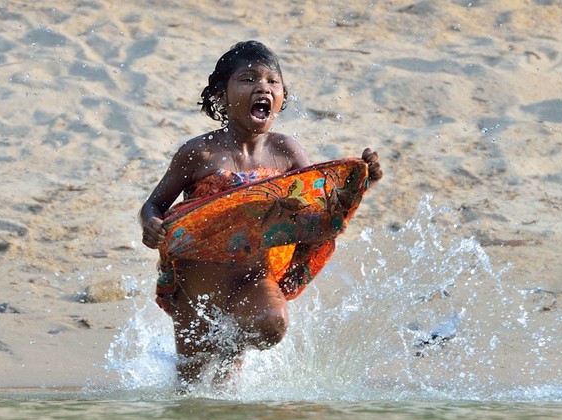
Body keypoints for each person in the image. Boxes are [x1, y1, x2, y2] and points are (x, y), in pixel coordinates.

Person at [139, 41, 383, 389]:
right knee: (190, 388)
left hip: (254, 278)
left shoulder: (286, 151)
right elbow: (154, 206)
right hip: (197, 289)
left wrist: (359, 183)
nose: (263, 87)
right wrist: (151, 225)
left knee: (271, 326)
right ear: (221, 97)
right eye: (248, 79)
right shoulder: (199, 153)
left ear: (282, 98)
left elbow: (318, 208)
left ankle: (230, 356)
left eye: (273, 81)